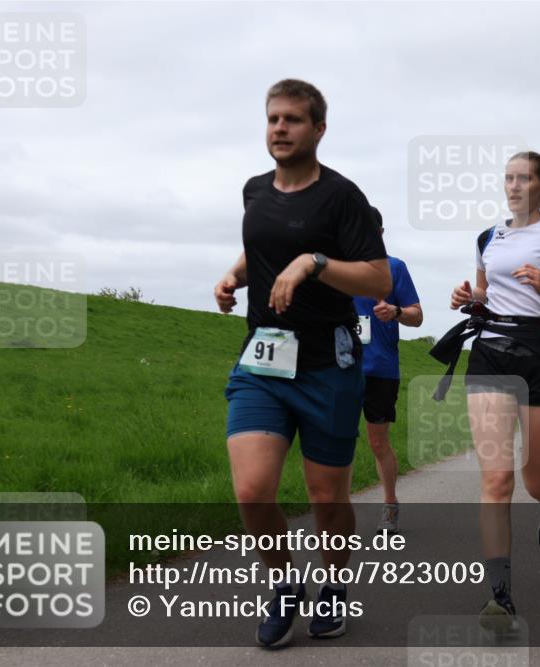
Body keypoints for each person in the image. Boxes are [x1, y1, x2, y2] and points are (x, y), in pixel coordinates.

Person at [213, 79, 391, 649]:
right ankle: (286, 584)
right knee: (252, 490)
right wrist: (234, 276)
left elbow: (376, 277)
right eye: (272, 119)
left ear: (318, 128)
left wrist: (313, 262)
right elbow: (262, 243)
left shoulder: (344, 197)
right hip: (262, 362)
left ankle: (335, 587)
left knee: (325, 498)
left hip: (326, 366)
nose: (279, 128)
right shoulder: (253, 190)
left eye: (292, 119)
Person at [432, 150, 540, 632]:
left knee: (534, 480)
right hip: (490, 351)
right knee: (497, 481)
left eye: (523, 178)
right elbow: (488, 294)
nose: (513, 186)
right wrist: (469, 297)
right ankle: (499, 596)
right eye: (507, 178)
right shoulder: (489, 236)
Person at [353, 207, 423, 535]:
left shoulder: (395, 268)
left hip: (380, 369)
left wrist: (395, 311)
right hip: (340, 367)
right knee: (333, 440)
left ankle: (390, 504)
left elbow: (417, 315)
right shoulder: (339, 270)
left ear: (380, 233)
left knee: (378, 443)